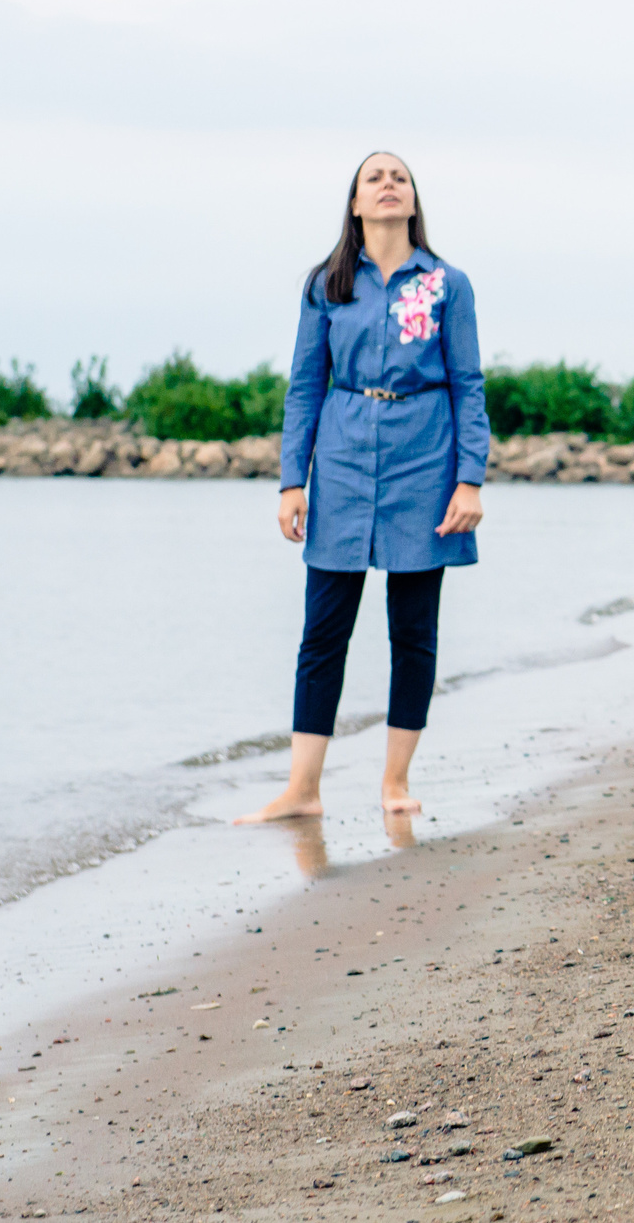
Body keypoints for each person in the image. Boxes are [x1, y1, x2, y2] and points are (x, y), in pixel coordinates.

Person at [237, 152, 490, 824]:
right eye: (373, 177)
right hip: (344, 461)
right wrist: (294, 480)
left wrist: (470, 479)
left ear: (413, 200)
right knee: (323, 629)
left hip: (424, 461)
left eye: (398, 177)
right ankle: (302, 789)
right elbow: (304, 384)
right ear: (354, 203)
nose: (386, 184)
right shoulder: (328, 284)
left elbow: (468, 383)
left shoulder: (446, 284)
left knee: (413, 629)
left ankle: (394, 781)